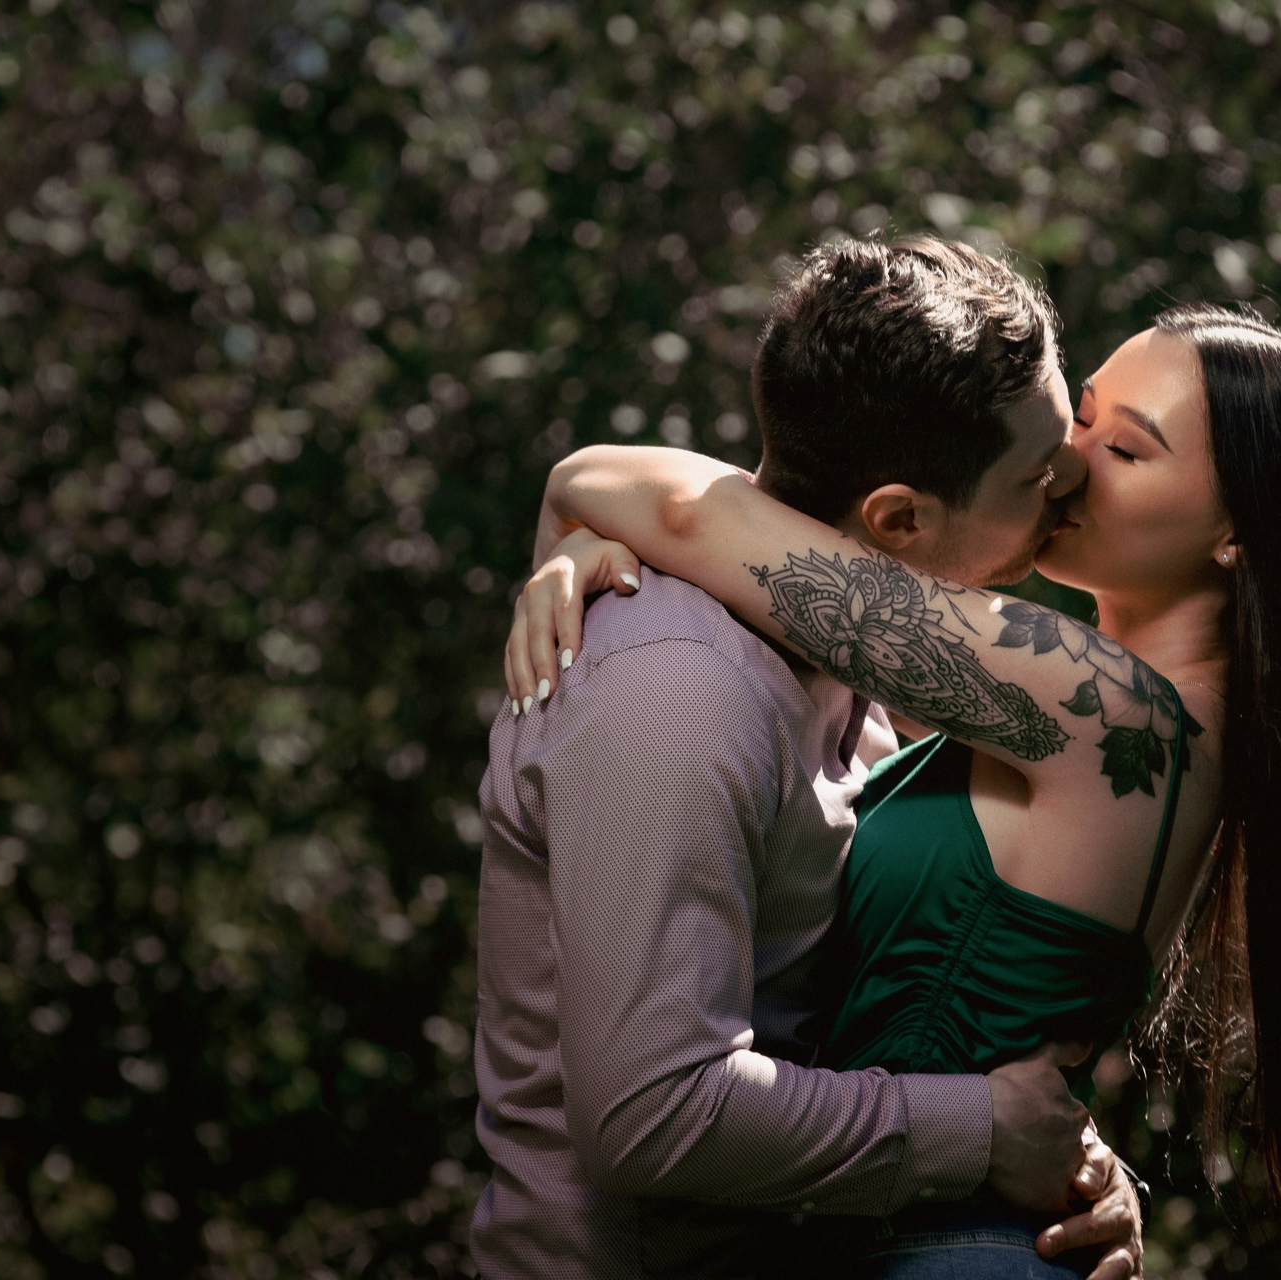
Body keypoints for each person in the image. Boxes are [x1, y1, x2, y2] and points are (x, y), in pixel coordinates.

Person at [508, 302, 1281, 1277]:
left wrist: (597, 531)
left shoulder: (1105, 710)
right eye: (1082, 415)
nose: (1071, 462)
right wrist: (612, 557)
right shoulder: (1120, 720)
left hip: (944, 1246)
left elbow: (664, 498)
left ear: (1237, 534)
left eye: (1127, 452)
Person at [469, 238, 1145, 1280]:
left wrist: (1062, 1154)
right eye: (1034, 472)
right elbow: (649, 1115)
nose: (1068, 486)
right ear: (899, 519)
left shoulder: (861, 650)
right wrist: (982, 1130)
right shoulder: (676, 695)